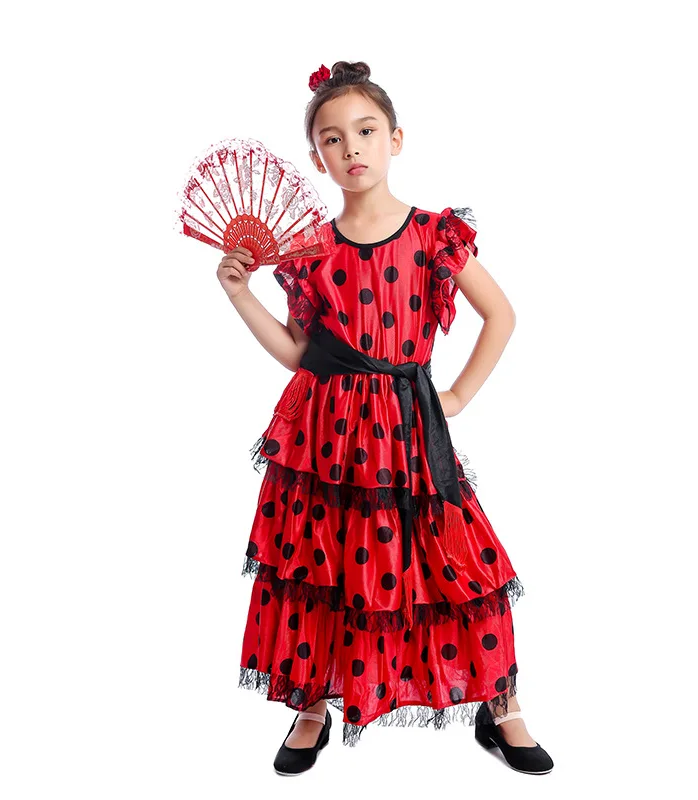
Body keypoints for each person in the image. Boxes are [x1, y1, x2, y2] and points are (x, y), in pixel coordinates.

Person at [220, 60, 554, 776]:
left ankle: (501, 707)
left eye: (366, 131)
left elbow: (500, 314)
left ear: (396, 139)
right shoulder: (309, 249)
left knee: (461, 560)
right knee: (325, 563)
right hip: (326, 435)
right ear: (318, 157)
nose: (352, 148)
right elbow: (299, 353)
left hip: (407, 429)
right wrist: (241, 294)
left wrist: (455, 397)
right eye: (333, 139)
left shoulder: (433, 235)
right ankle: (313, 704)